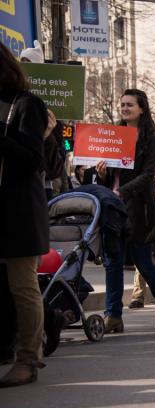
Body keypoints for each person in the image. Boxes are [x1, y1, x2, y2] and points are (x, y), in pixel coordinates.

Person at [95, 89, 155, 332]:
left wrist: (124, 191)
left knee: (143, 262)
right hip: (112, 206)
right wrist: (102, 174)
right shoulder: (114, 135)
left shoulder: (151, 138)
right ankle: (114, 316)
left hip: (137, 208)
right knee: (112, 262)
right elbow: (110, 175)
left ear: (142, 108)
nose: (125, 108)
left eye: (130, 104)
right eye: (122, 104)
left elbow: (147, 174)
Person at [0, 42, 48, 387]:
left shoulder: (26, 105)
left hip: (16, 213)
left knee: (22, 286)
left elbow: (33, 159)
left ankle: (28, 359)